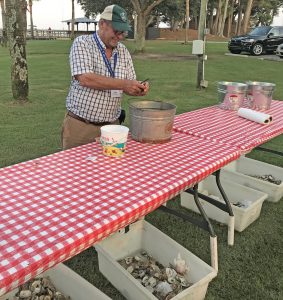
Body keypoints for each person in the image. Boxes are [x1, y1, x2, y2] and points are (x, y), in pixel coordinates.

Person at [62, 4, 149, 150]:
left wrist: (138, 87)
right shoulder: (83, 43)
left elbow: (128, 83)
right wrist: (124, 84)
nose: (120, 36)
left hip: (112, 127)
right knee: (77, 171)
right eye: (117, 31)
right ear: (102, 24)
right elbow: (85, 78)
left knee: (112, 170)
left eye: (123, 32)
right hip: (81, 126)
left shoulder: (123, 51)